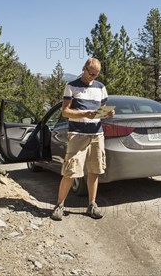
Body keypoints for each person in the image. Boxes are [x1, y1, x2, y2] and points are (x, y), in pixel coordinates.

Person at [50, 58, 114, 221]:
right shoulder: (72, 86)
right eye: (91, 72)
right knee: (71, 170)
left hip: (96, 134)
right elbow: (65, 112)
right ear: (84, 68)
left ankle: (92, 205)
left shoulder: (101, 88)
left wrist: (108, 113)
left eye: (96, 74)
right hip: (78, 134)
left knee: (94, 170)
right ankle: (59, 205)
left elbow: (103, 110)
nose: (93, 76)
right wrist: (84, 114)